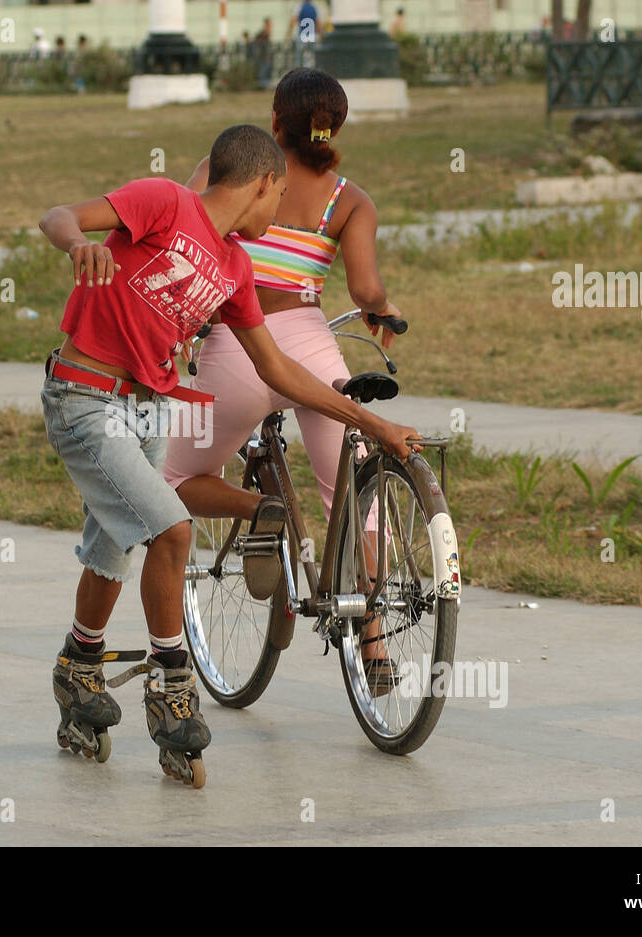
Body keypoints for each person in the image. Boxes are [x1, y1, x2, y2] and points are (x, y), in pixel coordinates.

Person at [38, 125, 418, 787]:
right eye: (281, 195)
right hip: (85, 400)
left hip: (148, 409)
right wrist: (80, 245)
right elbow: (59, 215)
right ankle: (171, 685)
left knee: (113, 547)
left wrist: (369, 422)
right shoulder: (162, 201)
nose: (281, 212)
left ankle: (79, 665)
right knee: (171, 528)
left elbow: (278, 366)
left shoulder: (237, 267)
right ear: (265, 182)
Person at [163, 69, 416, 694]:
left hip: (236, 345)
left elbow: (184, 236)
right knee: (354, 490)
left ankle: (261, 509)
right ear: (337, 127)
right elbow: (363, 289)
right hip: (313, 352)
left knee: (170, 479)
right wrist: (381, 308)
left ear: (275, 122)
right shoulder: (350, 201)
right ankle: (375, 636)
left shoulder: (234, 171)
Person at [292, 0, 319, 65]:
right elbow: (318, 22)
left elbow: (294, 20)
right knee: (311, 57)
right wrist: (320, 34)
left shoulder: (299, 6)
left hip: (302, 35)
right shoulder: (314, 7)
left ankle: (300, 72)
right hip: (312, 36)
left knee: (299, 58)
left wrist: (289, 33)